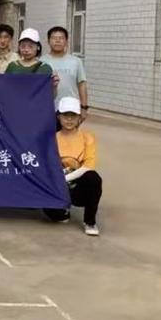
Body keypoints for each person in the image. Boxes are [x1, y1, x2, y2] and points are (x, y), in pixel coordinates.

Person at [43, 97, 103, 236]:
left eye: (73, 116)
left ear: (79, 117)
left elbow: (88, 166)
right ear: (58, 116)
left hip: (77, 184)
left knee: (94, 178)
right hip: (57, 183)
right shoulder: (51, 139)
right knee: (57, 216)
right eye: (65, 115)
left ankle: (89, 221)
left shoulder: (88, 137)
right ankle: (63, 210)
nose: (69, 120)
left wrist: (64, 179)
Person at [42, 26, 88, 121]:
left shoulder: (76, 61)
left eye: (61, 38)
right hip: (47, 109)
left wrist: (84, 107)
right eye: (54, 38)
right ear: (48, 41)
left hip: (71, 109)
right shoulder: (41, 62)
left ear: (67, 42)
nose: (57, 41)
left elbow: (82, 84)